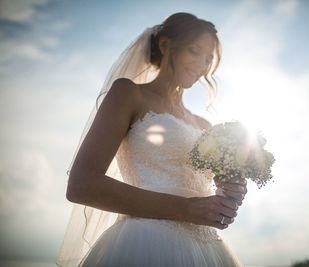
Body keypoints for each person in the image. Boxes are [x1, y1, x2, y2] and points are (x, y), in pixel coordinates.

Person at [57, 12, 248, 267]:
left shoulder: (205, 126)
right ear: (166, 44)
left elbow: (211, 192)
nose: (202, 65)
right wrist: (186, 208)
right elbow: (82, 185)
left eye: (208, 59)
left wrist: (230, 193)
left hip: (207, 251)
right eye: (194, 51)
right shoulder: (129, 94)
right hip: (145, 242)